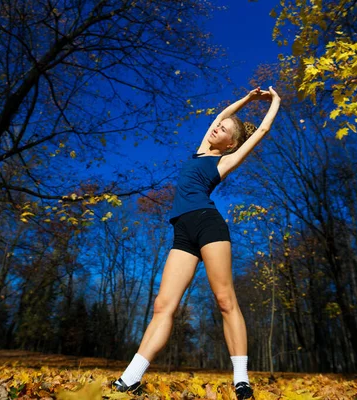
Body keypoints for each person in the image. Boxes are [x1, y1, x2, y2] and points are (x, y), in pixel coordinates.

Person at [113, 86, 281, 400]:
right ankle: (129, 379)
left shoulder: (224, 162)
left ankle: (241, 381)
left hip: (208, 225)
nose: (218, 126)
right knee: (163, 306)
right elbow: (220, 115)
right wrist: (246, 99)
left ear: (230, 143)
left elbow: (262, 130)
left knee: (225, 300)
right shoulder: (202, 150)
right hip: (183, 233)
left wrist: (275, 102)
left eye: (225, 130)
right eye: (218, 125)